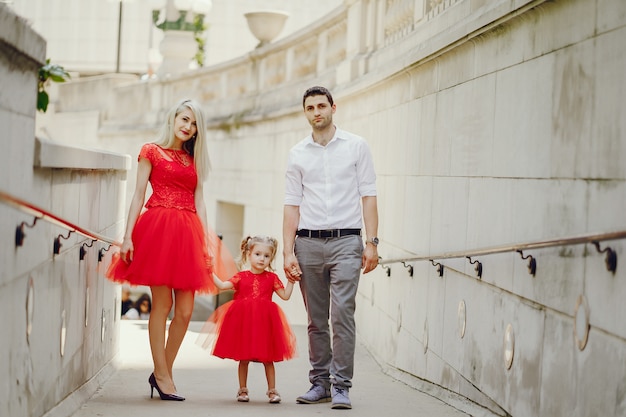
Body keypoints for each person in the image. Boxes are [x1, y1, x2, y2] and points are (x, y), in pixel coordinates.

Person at [106, 98, 224, 402]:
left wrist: (207, 242)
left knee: (184, 311)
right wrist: (128, 236)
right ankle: (162, 375)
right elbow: (136, 196)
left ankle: (163, 371)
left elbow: (200, 200)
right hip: (158, 230)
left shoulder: (195, 159)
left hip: (189, 234)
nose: (188, 127)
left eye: (194, 123)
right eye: (185, 119)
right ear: (173, 119)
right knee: (162, 304)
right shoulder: (151, 151)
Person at [282, 86, 379, 410]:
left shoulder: (356, 146)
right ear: (305, 112)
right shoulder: (298, 153)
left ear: (333, 108)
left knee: (342, 316)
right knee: (315, 320)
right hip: (307, 243)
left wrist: (372, 243)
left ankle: (341, 387)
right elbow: (292, 205)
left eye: (321, 105)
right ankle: (319, 384)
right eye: (310, 108)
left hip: (346, 243)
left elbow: (369, 195)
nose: (316, 112)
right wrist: (287, 251)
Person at [197, 236, 296, 404]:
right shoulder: (241, 276)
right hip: (244, 322)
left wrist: (291, 280)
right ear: (248, 254)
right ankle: (242, 390)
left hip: (265, 322)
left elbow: (285, 296)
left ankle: (272, 391)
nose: (262, 259)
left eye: (266, 256)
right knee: (243, 358)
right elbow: (221, 286)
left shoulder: (272, 278)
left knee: (268, 358)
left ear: (270, 259)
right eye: (258, 254)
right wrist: (209, 271)